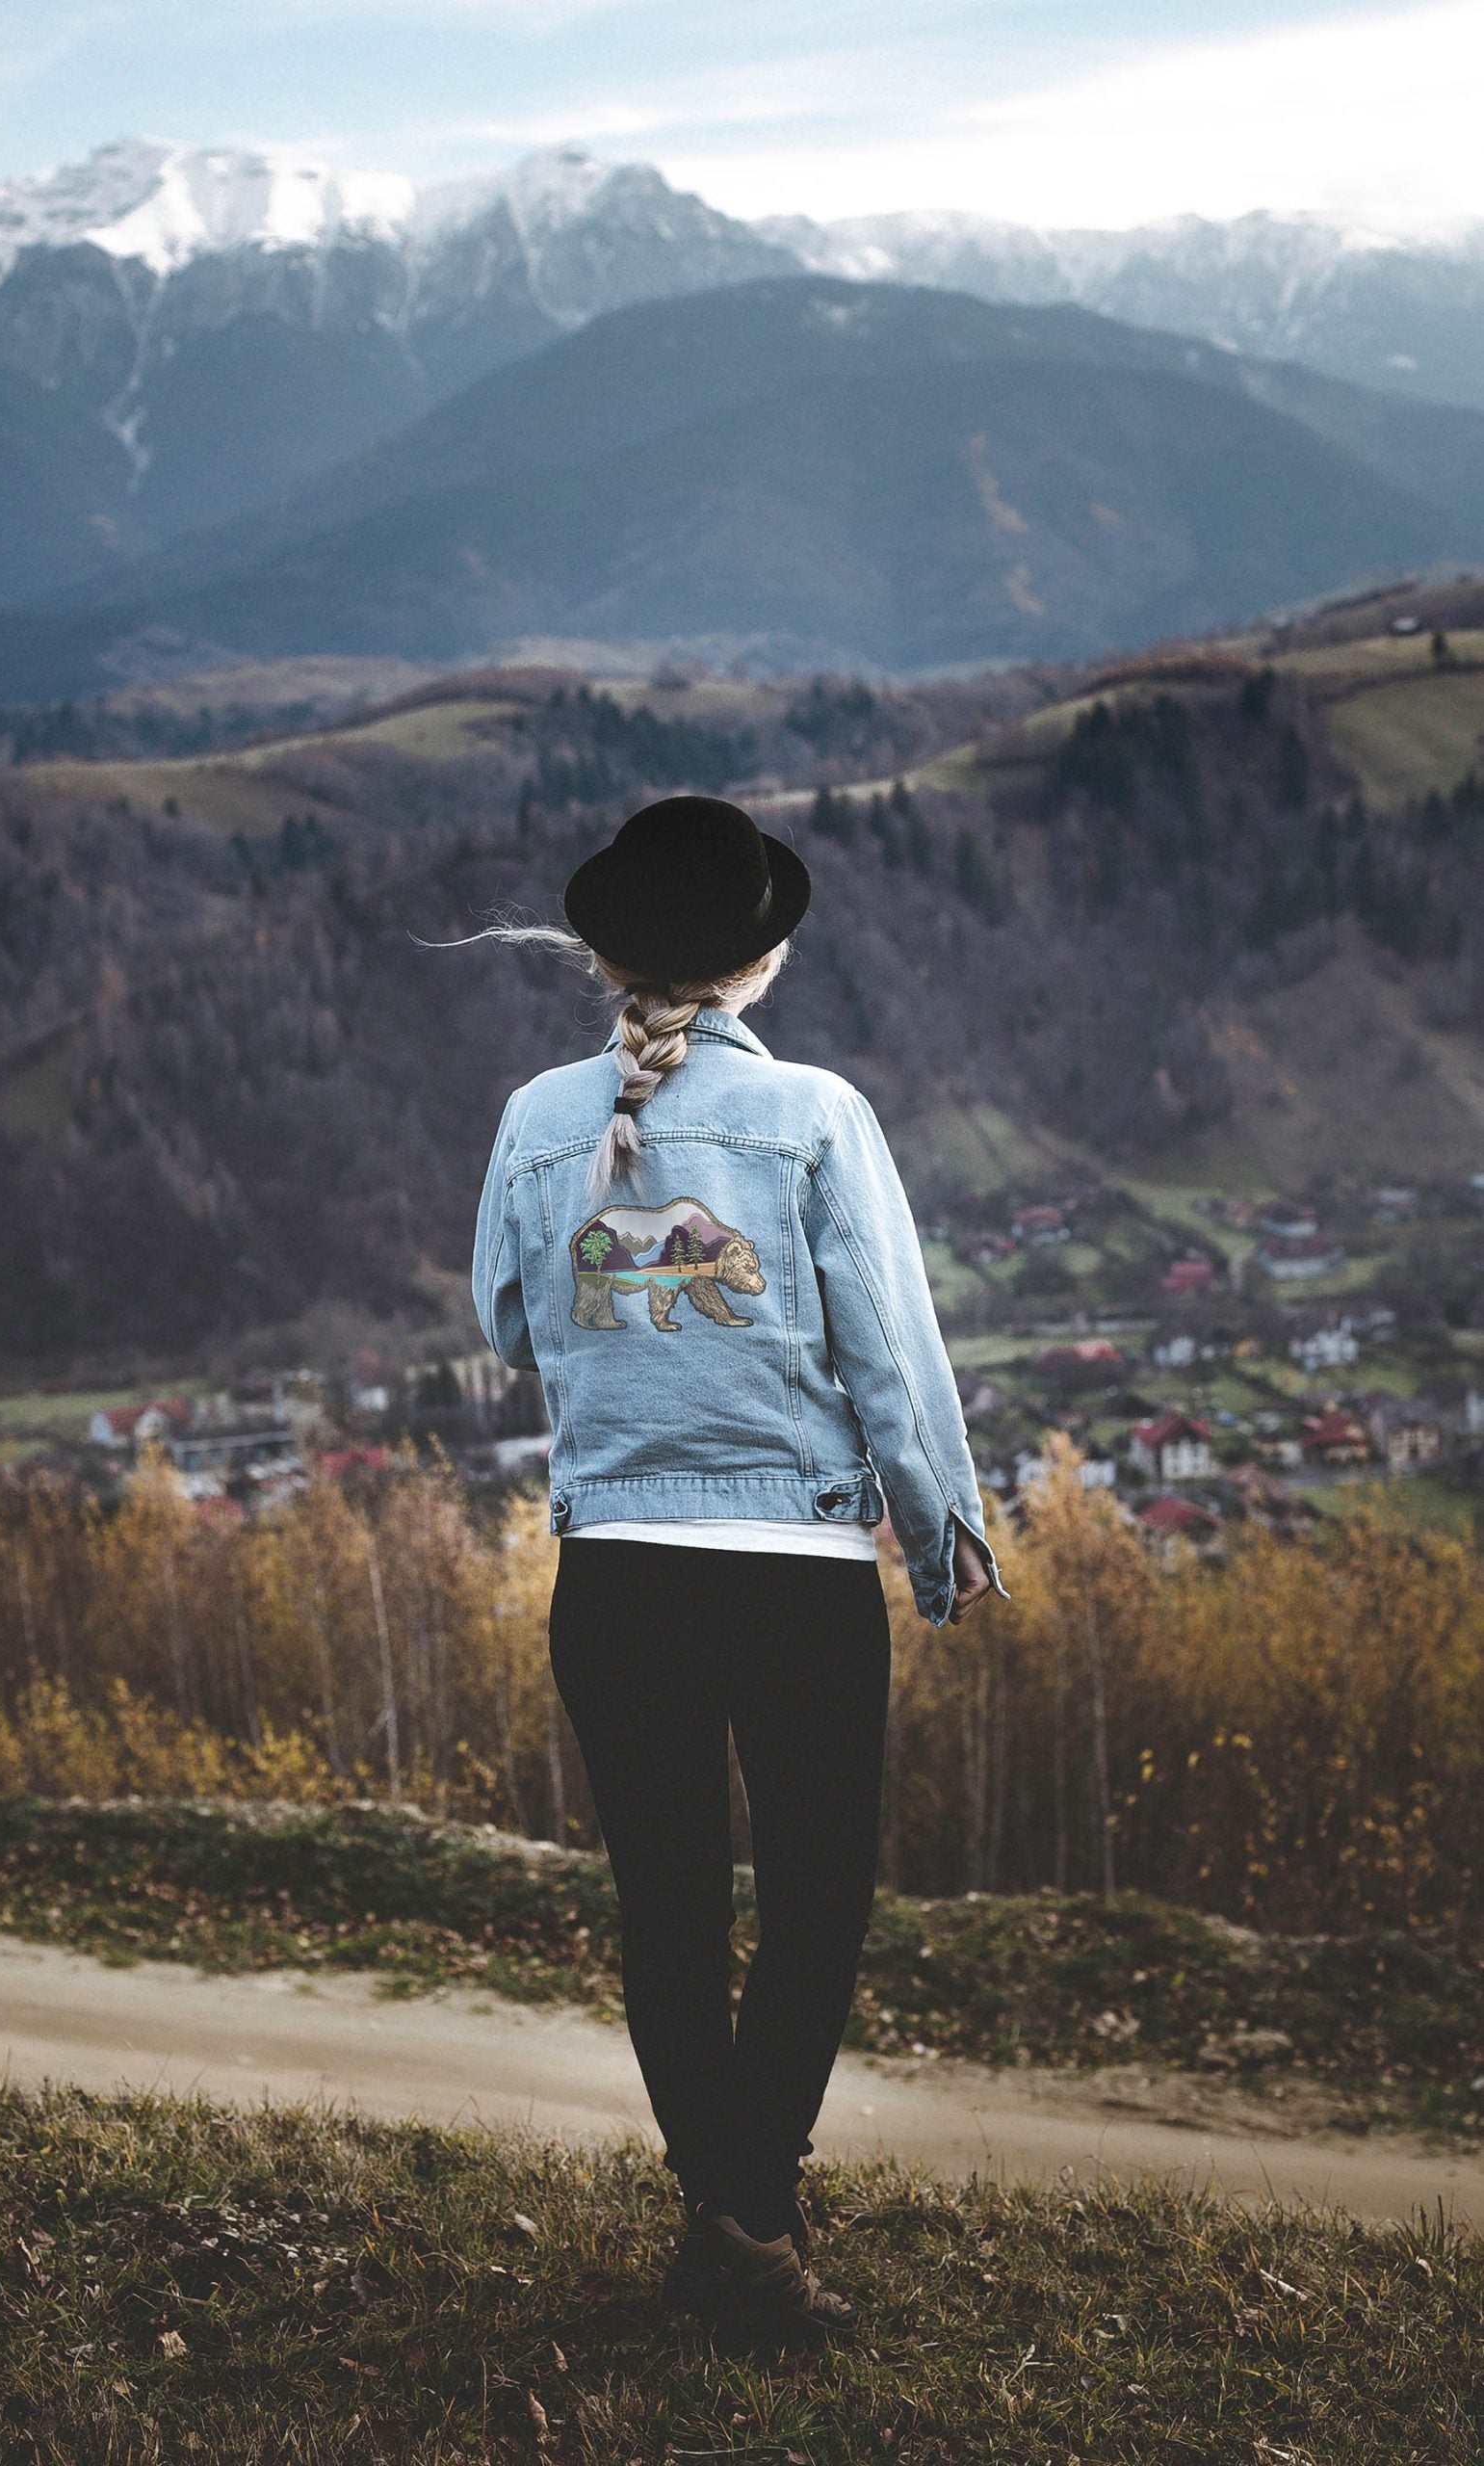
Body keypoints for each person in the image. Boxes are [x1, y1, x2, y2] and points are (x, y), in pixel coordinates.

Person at [471, 793, 1005, 2343]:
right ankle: (751, 2223)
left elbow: (508, 1327)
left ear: (603, 958)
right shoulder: (817, 1114)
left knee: (670, 1908)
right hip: (795, 1577)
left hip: (616, 1576)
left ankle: (731, 2217)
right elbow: (890, 1354)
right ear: (759, 962)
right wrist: (943, 1539)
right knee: (819, 1899)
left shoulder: (536, 1120)